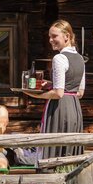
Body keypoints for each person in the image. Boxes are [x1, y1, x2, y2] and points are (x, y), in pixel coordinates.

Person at [24, 20, 85, 160]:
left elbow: (59, 93)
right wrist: (52, 84)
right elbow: (80, 92)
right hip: (75, 108)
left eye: (54, 36)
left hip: (59, 109)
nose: (51, 40)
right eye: (49, 37)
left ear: (67, 36)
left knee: (53, 148)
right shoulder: (81, 59)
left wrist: (35, 95)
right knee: (69, 148)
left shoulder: (59, 58)